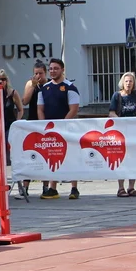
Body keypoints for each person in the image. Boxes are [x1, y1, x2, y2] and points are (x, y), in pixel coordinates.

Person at [37, 58, 80, 199]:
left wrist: (63, 125)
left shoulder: (70, 87)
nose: (53, 71)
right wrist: (44, 127)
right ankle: (52, 188)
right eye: (50, 69)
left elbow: (74, 109)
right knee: (52, 157)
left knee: (71, 157)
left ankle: (74, 188)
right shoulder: (44, 89)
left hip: (68, 129)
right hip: (50, 131)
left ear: (62, 70)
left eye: (56, 68)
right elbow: (40, 109)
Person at [108, 72, 136, 198]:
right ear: (122, 82)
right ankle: (120, 187)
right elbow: (111, 112)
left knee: (133, 159)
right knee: (121, 158)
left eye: (131, 81)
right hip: (121, 131)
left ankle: (131, 187)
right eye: (126, 81)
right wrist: (120, 121)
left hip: (133, 131)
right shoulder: (117, 95)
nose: (128, 83)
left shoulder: (135, 95)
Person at [21, 60, 48, 197]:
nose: (38, 76)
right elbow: (24, 101)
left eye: (40, 73)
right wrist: (32, 86)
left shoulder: (49, 84)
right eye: (36, 73)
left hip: (45, 122)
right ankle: (25, 187)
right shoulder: (30, 84)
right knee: (30, 154)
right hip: (32, 121)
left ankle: (46, 186)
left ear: (45, 73)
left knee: (45, 155)